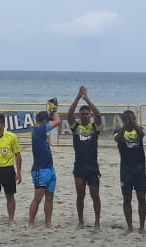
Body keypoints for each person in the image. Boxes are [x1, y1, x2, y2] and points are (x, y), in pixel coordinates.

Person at [67, 86, 102, 231]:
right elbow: (69, 114)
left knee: (95, 196)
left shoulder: (95, 128)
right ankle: (80, 222)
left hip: (93, 167)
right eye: (83, 114)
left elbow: (99, 115)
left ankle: (97, 223)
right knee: (80, 196)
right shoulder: (76, 128)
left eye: (87, 114)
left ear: (90, 115)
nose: (85, 116)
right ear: (80, 116)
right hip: (79, 167)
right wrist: (77, 97)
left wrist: (86, 98)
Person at [28, 107, 62, 229]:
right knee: (37, 198)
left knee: (50, 198)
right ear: (43, 121)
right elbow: (58, 121)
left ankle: (48, 223)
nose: (49, 123)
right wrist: (54, 110)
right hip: (40, 170)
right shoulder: (38, 130)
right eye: (47, 121)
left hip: (49, 168)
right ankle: (30, 223)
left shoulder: (40, 131)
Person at [115, 109, 146, 234]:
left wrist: (133, 123)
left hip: (139, 169)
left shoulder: (139, 130)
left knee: (142, 198)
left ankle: (142, 227)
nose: (130, 121)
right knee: (127, 198)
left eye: (132, 119)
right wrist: (125, 124)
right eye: (127, 119)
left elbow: (142, 135)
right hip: (126, 169)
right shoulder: (119, 131)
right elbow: (118, 139)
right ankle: (129, 227)